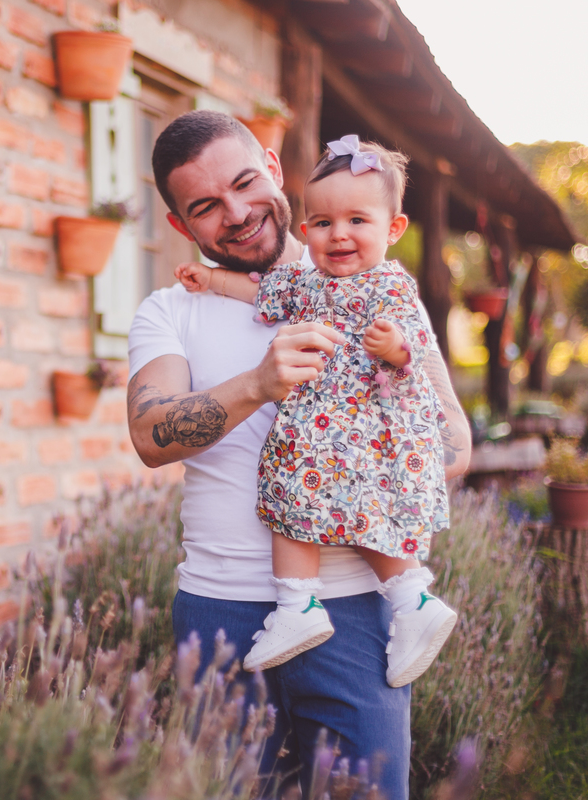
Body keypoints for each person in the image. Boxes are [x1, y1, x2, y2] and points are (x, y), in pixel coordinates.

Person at [126, 111, 471, 798]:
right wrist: (257, 384)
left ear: (275, 169)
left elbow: (454, 441)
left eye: (246, 183)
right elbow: (150, 435)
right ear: (181, 227)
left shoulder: (381, 292)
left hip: (352, 611)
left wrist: (361, 445)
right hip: (218, 610)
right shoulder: (169, 311)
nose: (237, 213)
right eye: (206, 207)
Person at [173, 136, 458, 688]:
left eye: (358, 220)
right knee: (293, 497)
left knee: (320, 501)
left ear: (393, 229)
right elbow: (261, 295)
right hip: (322, 431)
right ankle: (365, 603)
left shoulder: (392, 286)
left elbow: (413, 352)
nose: (339, 234)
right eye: (323, 223)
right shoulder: (305, 283)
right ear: (306, 234)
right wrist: (210, 280)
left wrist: (392, 347)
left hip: (368, 431)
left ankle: (354, 603)